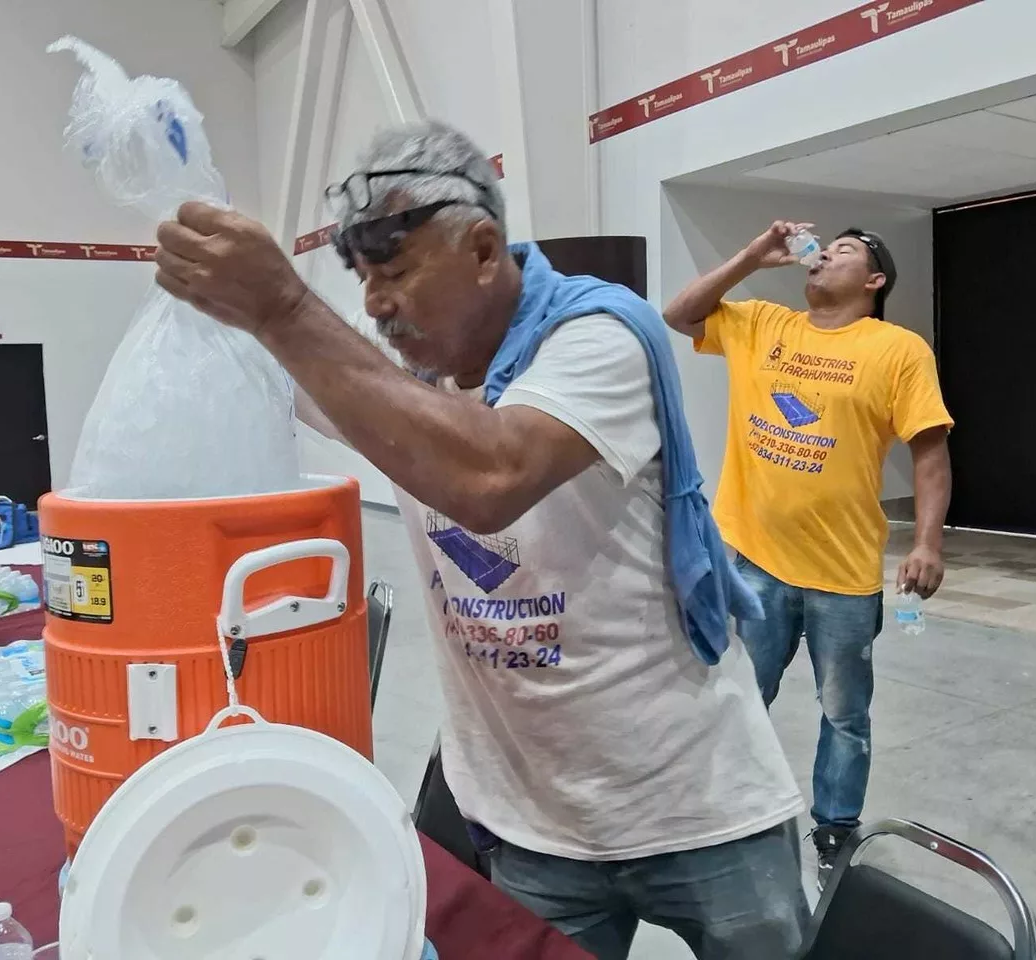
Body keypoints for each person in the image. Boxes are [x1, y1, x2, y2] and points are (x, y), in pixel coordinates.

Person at [154, 120, 809, 960]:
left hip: (694, 801)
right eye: (360, 277)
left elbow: (491, 474)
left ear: (484, 248)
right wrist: (220, 308)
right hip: (528, 820)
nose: (375, 303)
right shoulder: (402, 386)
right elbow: (309, 384)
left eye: (393, 272)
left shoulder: (600, 338)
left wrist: (282, 305)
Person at [663, 221, 954, 882]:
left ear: (875, 281)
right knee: (737, 696)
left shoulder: (897, 350)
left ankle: (835, 831)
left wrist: (928, 541)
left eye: (846, 251)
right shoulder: (763, 321)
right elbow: (680, 315)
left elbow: (930, 452)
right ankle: (721, 814)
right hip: (752, 564)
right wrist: (749, 254)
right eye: (824, 248)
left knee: (844, 714)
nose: (824, 255)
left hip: (843, 577)